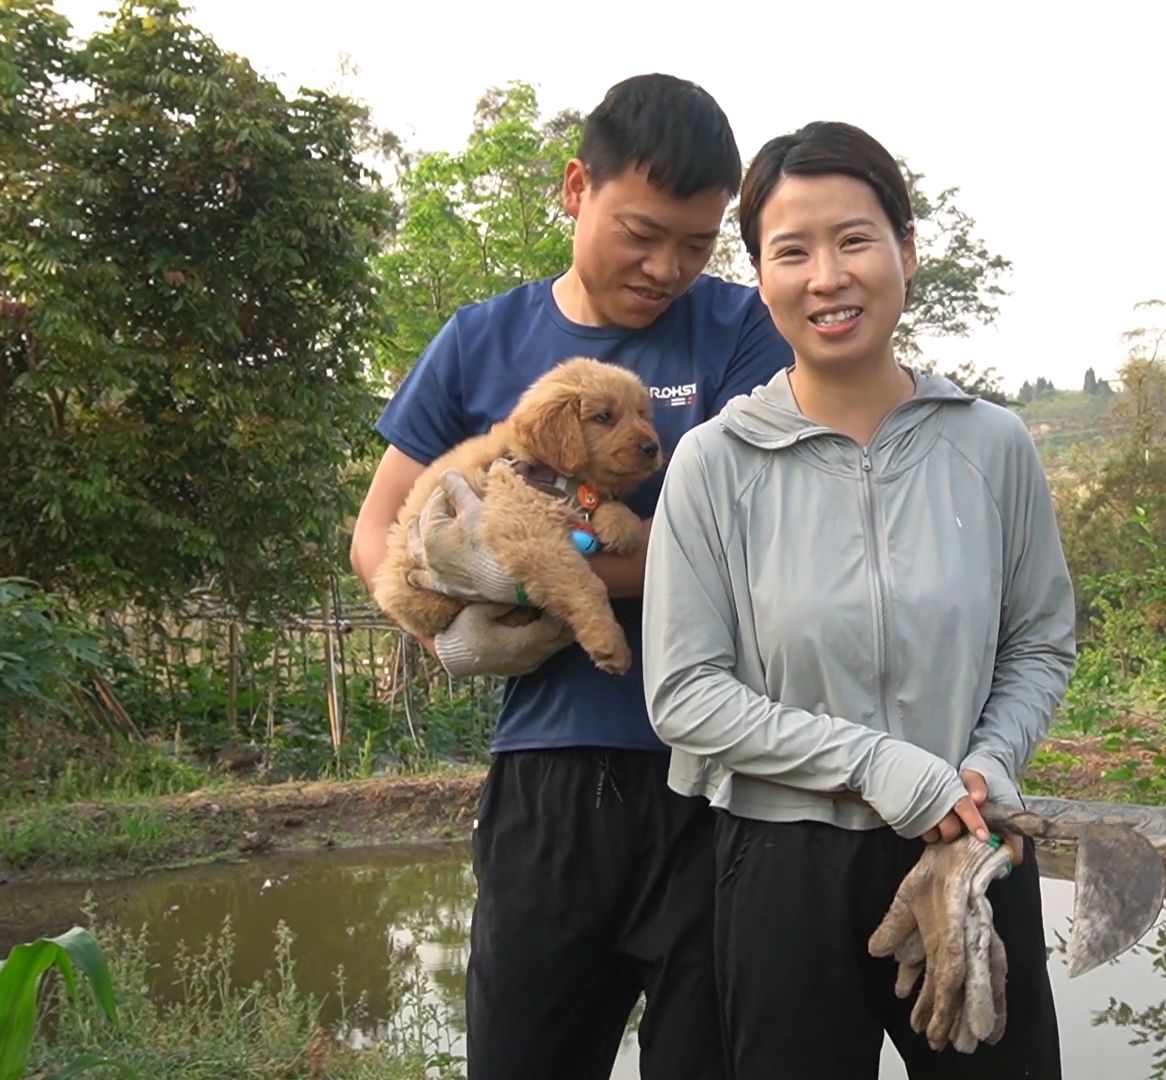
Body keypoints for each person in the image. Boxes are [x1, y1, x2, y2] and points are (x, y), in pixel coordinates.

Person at [347, 73, 791, 1080]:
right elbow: (379, 528)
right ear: (574, 188)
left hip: (719, 775)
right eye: (642, 231)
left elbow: (748, 539)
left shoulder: (740, 334)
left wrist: (551, 565)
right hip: (549, 777)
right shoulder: (481, 339)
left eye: (695, 242)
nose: (666, 266)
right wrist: (447, 619)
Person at [640, 120, 1076, 1079]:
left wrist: (988, 762)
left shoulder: (993, 444)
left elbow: (1040, 638)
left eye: (855, 240)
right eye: (791, 251)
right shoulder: (715, 463)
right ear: (761, 277)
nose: (827, 276)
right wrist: (882, 765)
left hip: (972, 841)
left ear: (906, 251)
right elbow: (685, 693)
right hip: (784, 865)